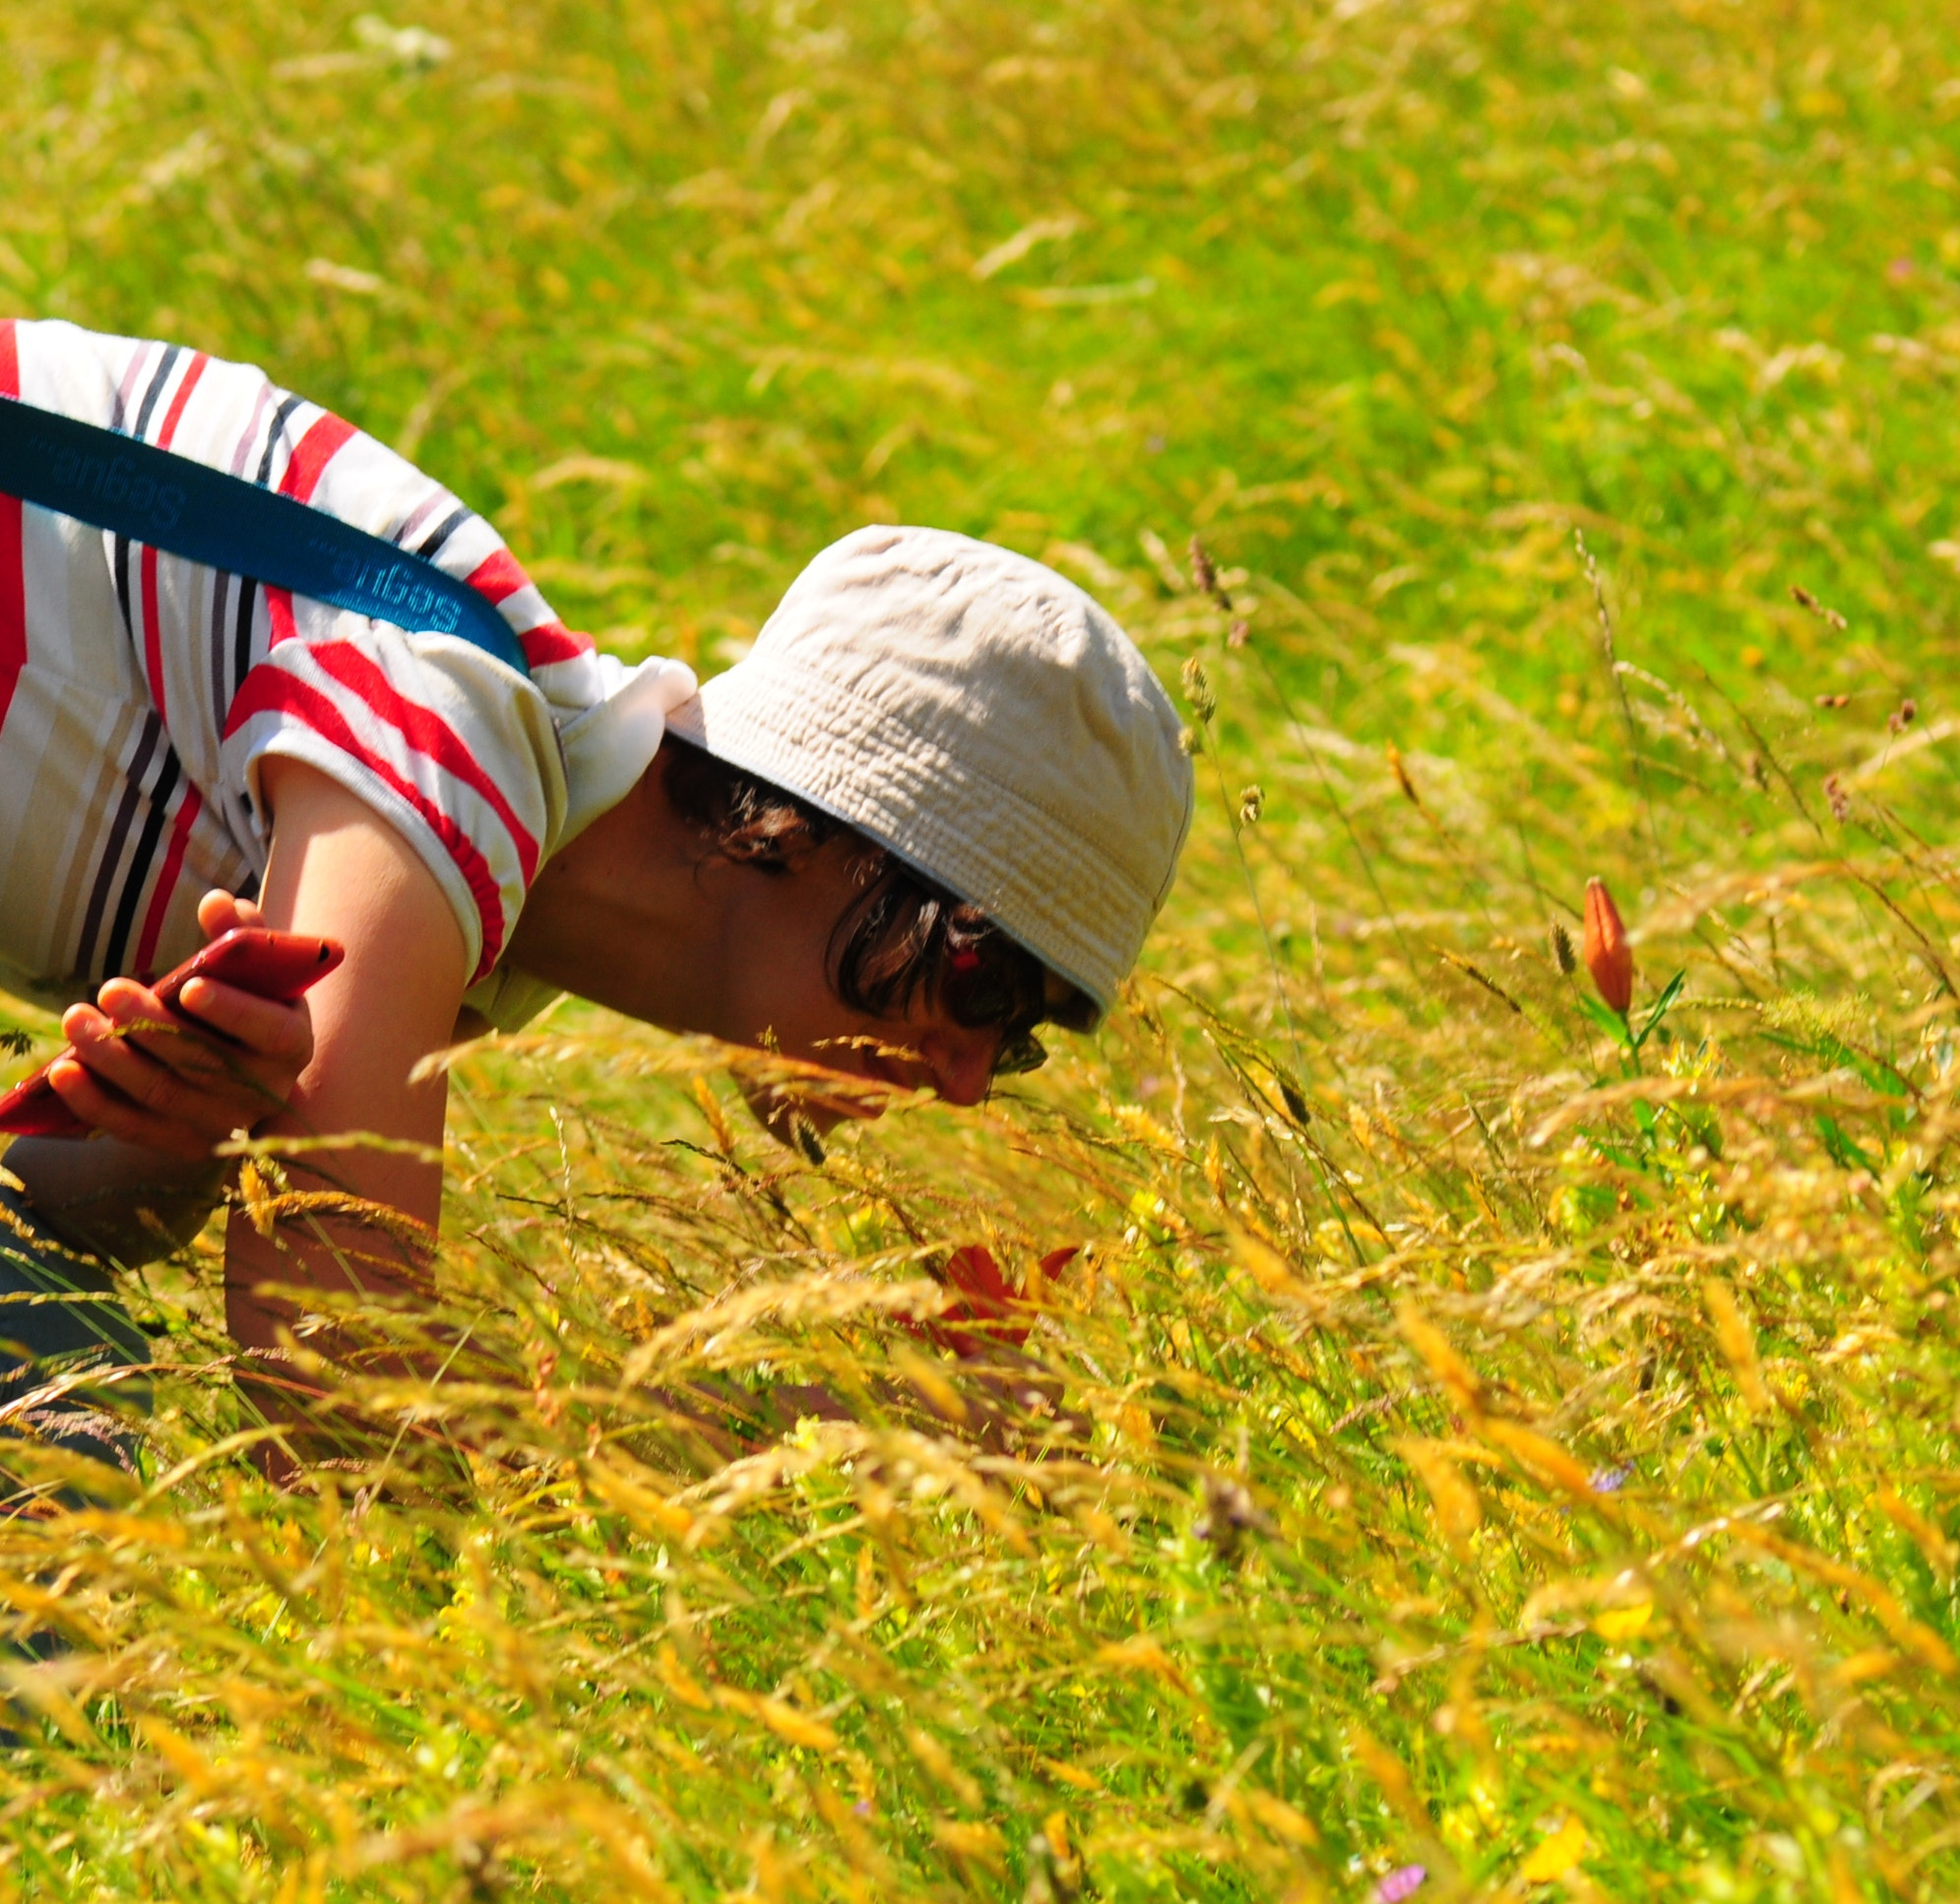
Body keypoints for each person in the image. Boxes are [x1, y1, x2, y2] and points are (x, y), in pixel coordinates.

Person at [0, 318, 1194, 1474]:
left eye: (1022, 1038)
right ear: (830, 828)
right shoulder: (450, 749)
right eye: (979, 977)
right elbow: (341, 1405)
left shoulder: (487, 888)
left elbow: (50, 1229)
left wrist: (192, 1126)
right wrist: (843, 1428)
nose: (968, 1077)